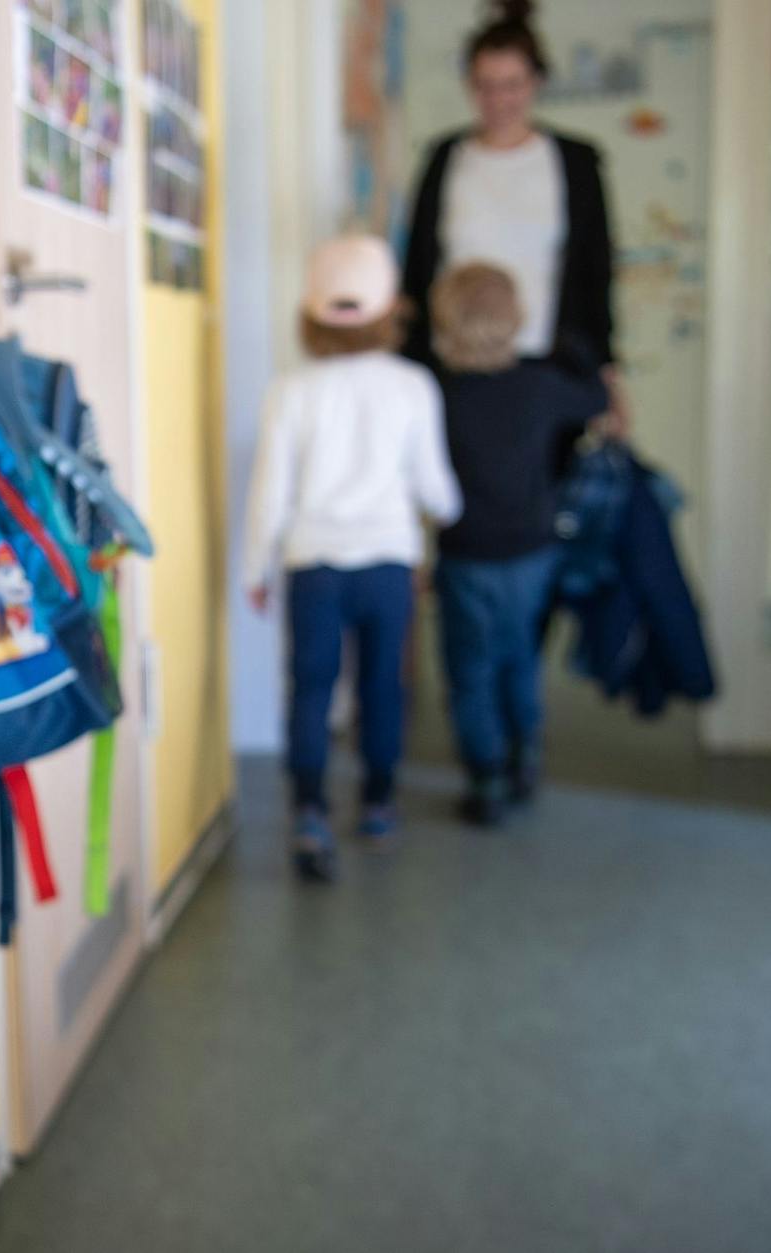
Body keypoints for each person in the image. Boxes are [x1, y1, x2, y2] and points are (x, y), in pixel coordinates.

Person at [243, 235, 463, 883]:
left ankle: (309, 810)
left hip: (313, 564)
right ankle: (377, 804)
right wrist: (450, 512)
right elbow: (436, 490)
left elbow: (270, 490)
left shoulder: (290, 390)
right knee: (381, 688)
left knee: (310, 687)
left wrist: (256, 568)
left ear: (309, 314)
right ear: (391, 311)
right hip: (389, 564)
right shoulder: (413, 386)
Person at [430, 263, 611, 826]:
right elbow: (594, 399)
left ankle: (484, 776)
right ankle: (524, 756)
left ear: (446, 321)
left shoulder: (439, 392)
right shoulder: (539, 385)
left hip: (465, 552)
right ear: (517, 318)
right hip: (532, 550)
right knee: (520, 658)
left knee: (469, 667)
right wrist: (575, 353)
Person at [400, 0, 623, 410]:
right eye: (485, 85)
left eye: (512, 84)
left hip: (549, 365)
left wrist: (608, 369)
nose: (498, 99)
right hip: (453, 369)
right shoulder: (445, 158)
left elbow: (596, 270)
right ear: (470, 84)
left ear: (536, 81)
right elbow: (416, 267)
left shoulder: (575, 162)